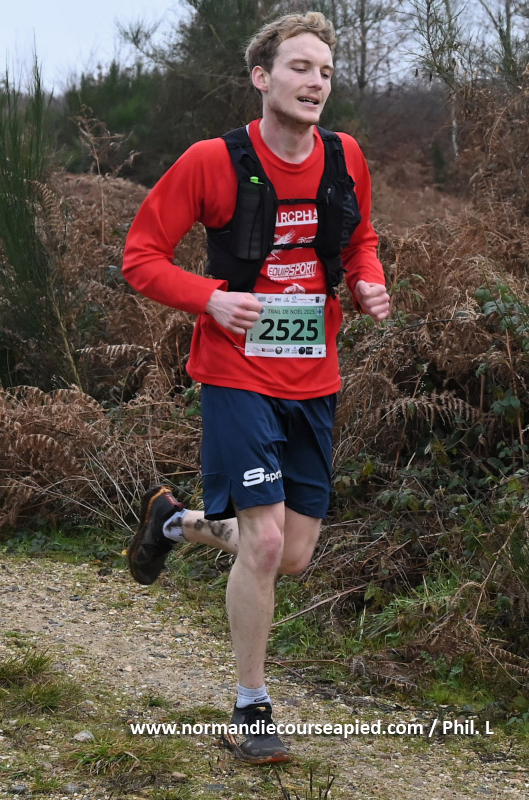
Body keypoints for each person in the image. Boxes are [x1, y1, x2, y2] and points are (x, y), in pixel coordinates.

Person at [122, 11, 390, 765]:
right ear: (262, 76)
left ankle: (173, 525)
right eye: (300, 67)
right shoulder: (214, 161)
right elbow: (141, 256)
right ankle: (251, 707)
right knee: (265, 541)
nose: (316, 82)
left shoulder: (345, 156)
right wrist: (209, 298)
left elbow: (360, 239)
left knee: (291, 553)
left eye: (325, 72)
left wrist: (366, 282)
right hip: (236, 372)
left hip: (314, 374)